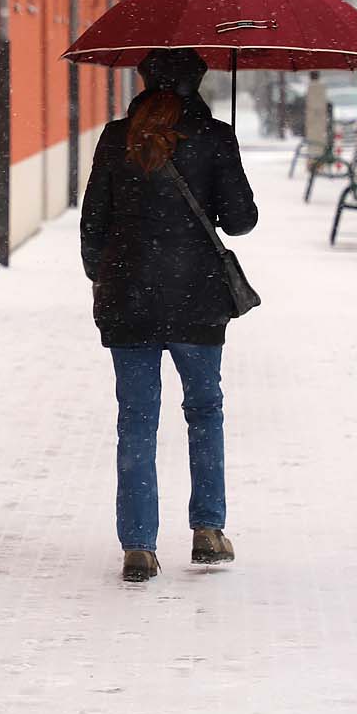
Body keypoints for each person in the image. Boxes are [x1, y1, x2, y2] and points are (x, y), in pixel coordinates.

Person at [80, 48, 259, 583]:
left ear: (145, 80)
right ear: (198, 83)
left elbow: (93, 223)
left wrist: (107, 277)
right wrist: (224, 164)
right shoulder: (215, 137)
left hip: (128, 301)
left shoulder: (117, 138)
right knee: (204, 411)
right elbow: (242, 221)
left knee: (136, 420)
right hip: (197, 300)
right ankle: (207, 530)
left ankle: (138, 545)